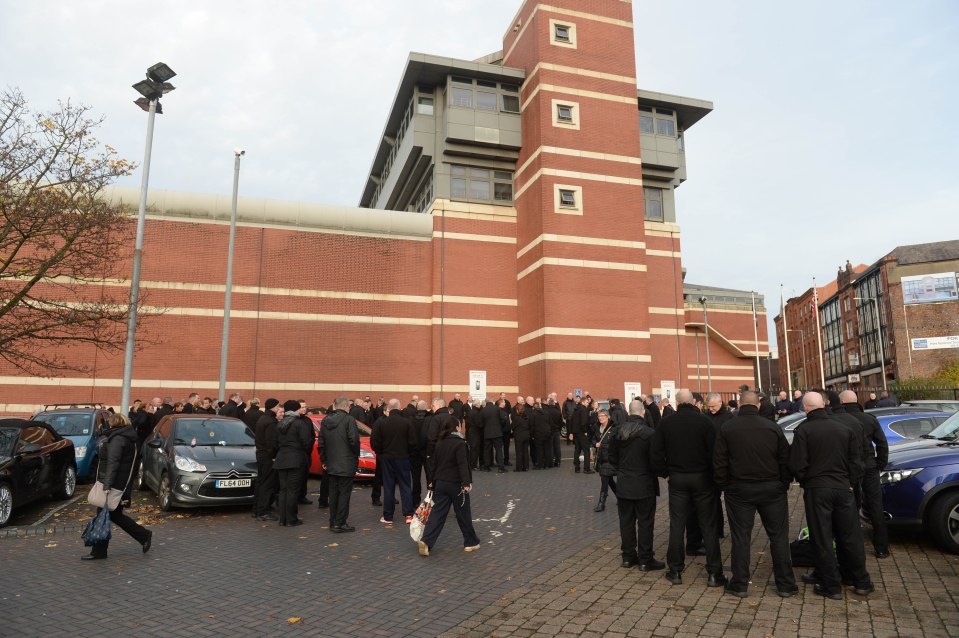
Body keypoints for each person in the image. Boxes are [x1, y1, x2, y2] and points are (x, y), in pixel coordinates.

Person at [789, 392, 873, 599]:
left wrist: (807, 481)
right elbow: (857, 461)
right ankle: (860, 580)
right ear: (824, 405)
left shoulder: (804, 430)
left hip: (818, 490)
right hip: (844, 488)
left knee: (822, 537)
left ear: (807, 408)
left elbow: (797, 464)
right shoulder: (844, 429)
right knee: (850, 536)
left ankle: (830, 584)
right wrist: (851, 483)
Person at [714, 392, 796, 598]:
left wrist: (725, 485)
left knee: (741, 537)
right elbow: (785, 458)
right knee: (778, 536)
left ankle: (740, 584)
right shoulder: (772, 427)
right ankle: (785, 584)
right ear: (758, 405)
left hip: (739, 489)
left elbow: (719, 461)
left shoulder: (728, 428)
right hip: (771, 488)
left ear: (740, 405)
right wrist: (783, 483)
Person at [652, 389, 726, 587]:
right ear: (694, 402)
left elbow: (656, 451)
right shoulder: (705, 422)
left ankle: (675, 570)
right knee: (708, 525)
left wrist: (665, 472)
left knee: (677, 524)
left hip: (677, 479)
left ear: (677, 403)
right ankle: (714, 573)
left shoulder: (666, 423)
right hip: (702, 478)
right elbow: (715, 452)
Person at [81, 414, 152, 560]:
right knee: (112, 514)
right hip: (121, 483)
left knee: (105, 514)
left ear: (113, 424)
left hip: (114, 484)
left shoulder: (117, 439)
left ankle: (99, 552)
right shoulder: (129, 438)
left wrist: (107, 485)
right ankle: (143, 535)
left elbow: (113, 463)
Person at [609, 400, 662, 571]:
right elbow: (655, 460)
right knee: (645, 522)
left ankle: (628, 556)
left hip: (624, 482)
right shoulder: (649, 433)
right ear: (643, 412)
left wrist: (622, 470)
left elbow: (611, 457)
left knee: (626, 521)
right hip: (644, 482)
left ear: (628, 412)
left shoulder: (617, 432)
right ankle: (645, 559)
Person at [417, 417, 481, 556]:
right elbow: (462, 464)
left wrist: (432, 481)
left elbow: (434, 463)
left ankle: (426, 540)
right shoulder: (460, 444)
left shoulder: (440, 443)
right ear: (457, 427)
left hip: (440, 482)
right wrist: (466, 483)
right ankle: (471, 542)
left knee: (437, 513)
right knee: (463, 514)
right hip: (456, 484)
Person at [840, 390, 889, 558]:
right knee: (876, 505)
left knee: (851, 505)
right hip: (869, 465)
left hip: (849, 467)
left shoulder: (842, 421)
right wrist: (879, 464)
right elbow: (882, 444)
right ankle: (881, 547)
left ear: (842, 402)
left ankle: (853, 545)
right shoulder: (870, 419)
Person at [371, 399, 417, 525]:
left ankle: (388, 516)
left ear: (389, 409)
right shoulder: (407, 423)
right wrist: (407, 453)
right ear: (400, 408)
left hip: (387, 458)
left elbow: (374, 442)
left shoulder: (381, 423)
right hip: (403, 458)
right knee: (405, 485)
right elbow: (413, 442)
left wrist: (381, 453)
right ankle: (408, 514)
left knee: (388, 486)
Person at [318, 397, 360, 532]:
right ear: (347, 406)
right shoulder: (349, 420)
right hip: (346, 463)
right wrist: (355, 455)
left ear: (335, 406)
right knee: (344, 494)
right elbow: (354, 441)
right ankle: (340, 522)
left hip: (331, 463)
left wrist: (324, 460)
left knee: (334, 493)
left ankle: (333, 521)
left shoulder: (325, 421)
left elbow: (321, 443)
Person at [274, 400, 312, 527]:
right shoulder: (299, 424)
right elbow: (307, 442)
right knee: (292, 490)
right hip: (295, 459)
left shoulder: (280, 423)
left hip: (281, 459)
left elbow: (275, 443)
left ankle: (282, 519)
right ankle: (291, 519)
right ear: (296, 410)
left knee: (283, 490)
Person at [253, 399, 281, 521]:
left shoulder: (262, 418)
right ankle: (262, 511)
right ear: (273, 407)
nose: (279, 408)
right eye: (278, 406)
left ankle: (257, 509)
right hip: (268, 457)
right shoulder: (271, 421)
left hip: (261, 454)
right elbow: (271, 442)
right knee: (267, 484)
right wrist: (274, 455)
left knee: (261, 482)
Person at [593, 410, 617, 512]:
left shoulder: (614, 428)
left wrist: (602, 445)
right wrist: (595, 444)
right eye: (599, 416)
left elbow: (615, 443)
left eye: (602, 416)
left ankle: (601, 503)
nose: (600, 418)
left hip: (609, 459)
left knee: (604, 480)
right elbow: (593, 439)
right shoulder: (597, 427)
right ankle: (620, 497)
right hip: (601, 458)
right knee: (609, 479)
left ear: (608, 417)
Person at [409, 399, 431, 505]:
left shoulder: (411, 420)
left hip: (414, 452)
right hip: (427, 451)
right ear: (426, 407)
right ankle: (430, 499)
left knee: (415, 477)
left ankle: (415, 500)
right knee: (429, 476)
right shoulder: (430, 419)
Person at [568, 396, 592, 473]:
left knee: (577, 450)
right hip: (582, 433)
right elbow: (584, 422)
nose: (588, 404)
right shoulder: (583, 410)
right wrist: (585, 431)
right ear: (583, 402)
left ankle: (577, 467)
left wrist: (571, 432)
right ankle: (586, 468)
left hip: (576, 433)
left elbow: (571, 421)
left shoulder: (576, 410)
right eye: (587, 402)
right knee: (586, 450)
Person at [481, 398, 506, 473]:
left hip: (487, 433)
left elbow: (480, 422)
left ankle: (486, 467)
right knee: (499, 450)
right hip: (497, 433)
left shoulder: (483, 410)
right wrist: (500, 426)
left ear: (486, 402)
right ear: (492, 402)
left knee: (487, 450)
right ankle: (501, 468)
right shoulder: (497, 409)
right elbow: (503, 419)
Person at [530, 397, 551, 470]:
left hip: (538, 434)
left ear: (533, 408)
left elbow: (532, 426)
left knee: (539, 449)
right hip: (547, 433)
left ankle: (540, 465)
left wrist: (532, 435)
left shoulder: (533, 414)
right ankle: (547, 463)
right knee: (546, 448)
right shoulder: (546, 412)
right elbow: (549, 422)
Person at [511, 398, 531, 472]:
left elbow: (512, 427)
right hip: (526, 435)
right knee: (525, 451)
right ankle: (526, 467)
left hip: (519, 436)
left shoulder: (516, 418)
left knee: (519, 452)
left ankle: (518, 467)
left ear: (517, 410)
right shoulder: (526, 418)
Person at [545, 397, 564, 467]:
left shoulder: (546, 411)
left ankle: (551, 461)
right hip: (556, 431)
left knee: (550, 446)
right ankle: (558, 461)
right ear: (554, 403)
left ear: (548, 404)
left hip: (549, 431)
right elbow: (561, 422)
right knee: (557, 446)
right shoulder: (558, 412)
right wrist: (559, 429)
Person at [467, 398, 484, 470]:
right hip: (475, 432)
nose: (480, 404)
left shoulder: (471, 411)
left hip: (471, 431)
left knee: (472, 449)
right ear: (476, 404)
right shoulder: (476, 413)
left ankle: (471, 464)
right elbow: (478, 424)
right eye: (479, 403)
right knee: (475, 449)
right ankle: (473, 465)